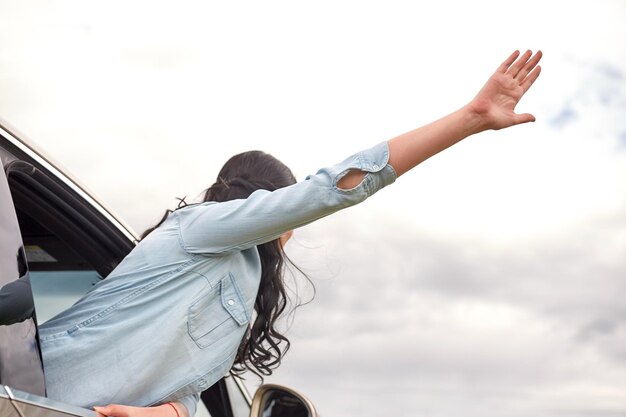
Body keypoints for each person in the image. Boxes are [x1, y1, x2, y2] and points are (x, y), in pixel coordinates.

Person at [37, 50, 542, 417]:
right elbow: (334, 188)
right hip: (33, 395)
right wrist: (469, 119)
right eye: (285, 215)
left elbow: (187, 383)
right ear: (272, 213)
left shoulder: (238, 280)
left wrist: (165, 414)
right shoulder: (200, 228)